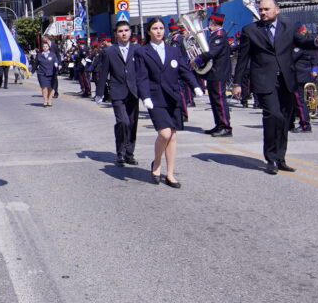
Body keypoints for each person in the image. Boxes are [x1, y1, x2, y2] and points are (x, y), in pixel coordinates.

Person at [232, 0, 318, 174]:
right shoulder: (250, 31)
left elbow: (303, 42)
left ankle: (281, 158)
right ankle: (270, 158)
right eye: (261, 10)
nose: (263, 13)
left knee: (285, 119)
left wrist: (316, 42)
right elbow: (242, 59)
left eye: (267, 9)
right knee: (273, 115)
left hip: (286, 80)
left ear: (277, 10)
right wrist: (237, 83)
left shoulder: (288, 28)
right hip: (264, 80)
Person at [136, 17, 203, 188]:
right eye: (154, 28)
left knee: (173, 136)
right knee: (164, 134)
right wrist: (146, 97)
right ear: (149, 31)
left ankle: (170, 174)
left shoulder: (173, 50)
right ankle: (156, 163)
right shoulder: (142, 51)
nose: (158, 31)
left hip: (173, 97)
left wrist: (195, 86)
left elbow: (184, 70)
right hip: (155, 98)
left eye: (161, 28)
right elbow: (142, 77)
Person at [95, 21, 140, 166]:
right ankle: (120, 153)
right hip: (117, 92)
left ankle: (129, 153)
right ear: (116, 34)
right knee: (123, 122)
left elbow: (143, 72)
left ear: (130, 32)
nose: (124, 33)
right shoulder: (109, 51)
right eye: (121, 31)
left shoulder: (137, 49)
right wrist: (100, 93)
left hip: (134, 92)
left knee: (132, 123)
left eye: (126, 30)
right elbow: (103, 73)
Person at [192, 12, 232, 137]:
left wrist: (197, 60)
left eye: (209, 22)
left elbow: (211, 53)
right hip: (213, 73)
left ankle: (225, 127)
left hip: (218, 73)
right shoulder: (215, 35)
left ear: (213, 23)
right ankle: (219, 125)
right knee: (214, 101)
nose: (208, 25)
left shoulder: (219, 35)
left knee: (219, 100)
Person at [290, 47, 318, 133]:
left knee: (299, 101)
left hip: (299, 76)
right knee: (297, 101)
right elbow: (315, 59)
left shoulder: (300, 45)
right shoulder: (310, 43)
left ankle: (305, 125)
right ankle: (291, 123)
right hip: (303, 75)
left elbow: (291, 56)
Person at [35, 41, 59, 107]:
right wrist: (31, 71)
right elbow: (35, 64)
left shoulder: (52, 54)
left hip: (51, 73)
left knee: (51, 88)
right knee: (44, 88)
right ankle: (45, 101)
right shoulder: (39, 55)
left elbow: (56, 61)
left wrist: (57, 65)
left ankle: (49, 100)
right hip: (42, 74)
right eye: (44, 46)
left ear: (48, 47)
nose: (45, 48)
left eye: (46, 46)